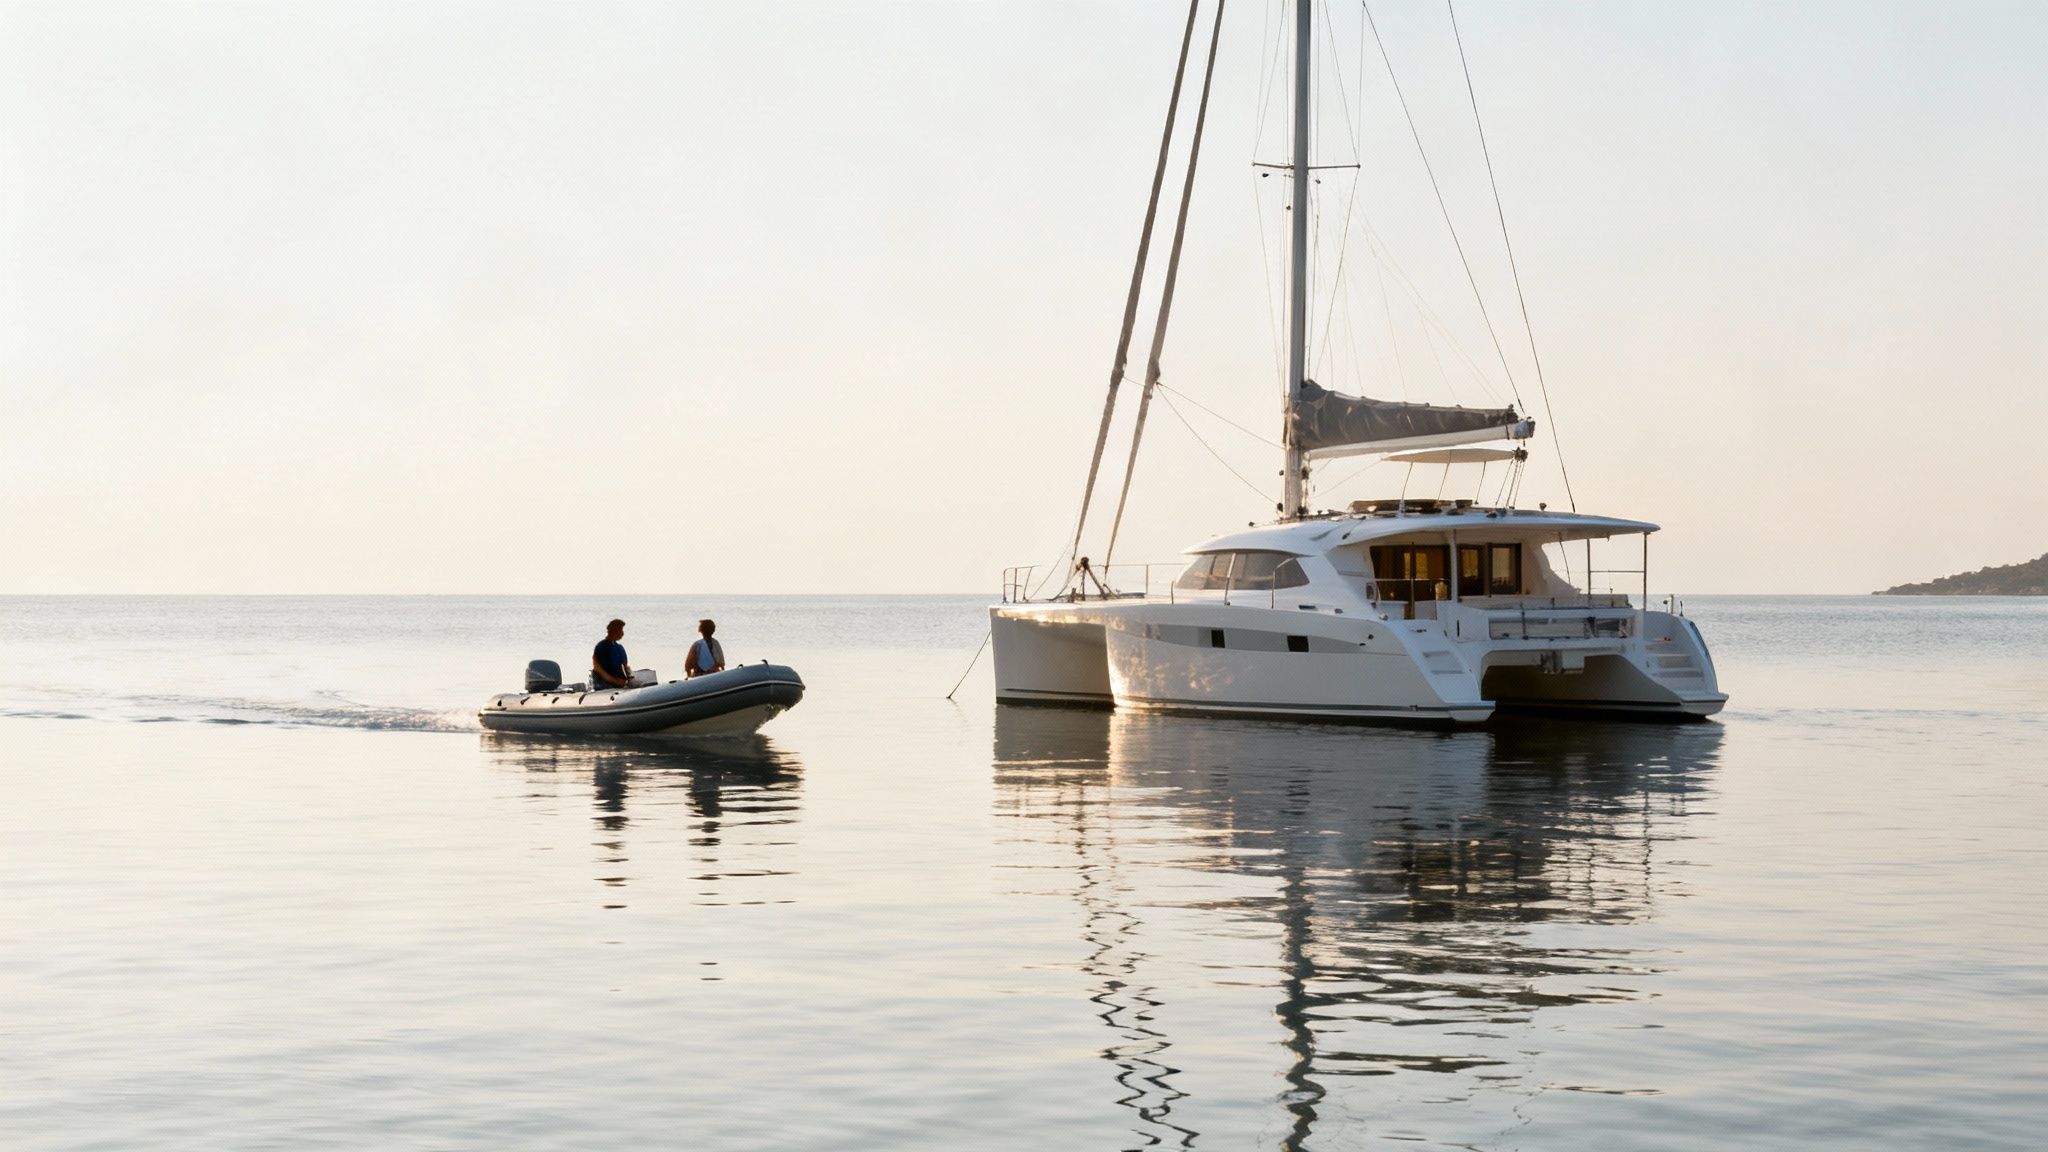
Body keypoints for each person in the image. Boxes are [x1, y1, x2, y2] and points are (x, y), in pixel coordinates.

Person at [592, 618, 635, 688]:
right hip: (604, 684)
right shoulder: (602, 647)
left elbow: (625, 667)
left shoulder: (619, 648)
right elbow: (598, 669)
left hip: (619, 683)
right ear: (613, 631)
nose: (622, 633)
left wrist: (629, 678)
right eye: (620, 630)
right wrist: (616, 681)